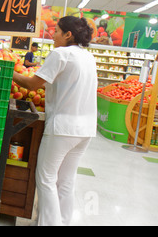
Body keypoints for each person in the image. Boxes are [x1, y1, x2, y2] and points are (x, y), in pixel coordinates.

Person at [13, 16, 97, 226]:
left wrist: (10, 71)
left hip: (63, 128)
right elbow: (63, 85)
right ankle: (62, 222)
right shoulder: (88, 57)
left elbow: (32, 85)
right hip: (85, 129)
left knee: (46, 178)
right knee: (66, 181)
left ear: (68, 35)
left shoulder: (61, 54)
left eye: (57, 32)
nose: (53, 36)